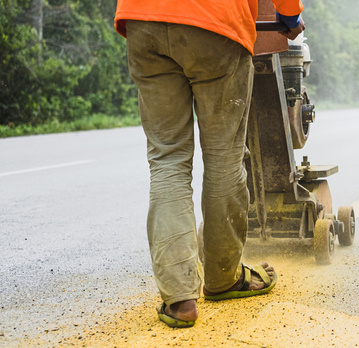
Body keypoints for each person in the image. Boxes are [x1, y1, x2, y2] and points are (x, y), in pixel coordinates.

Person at [114, 0, 305, 328]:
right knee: (224, 159)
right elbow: (287, 13)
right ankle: (223, 278)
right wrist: (289, 17)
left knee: (167, 159)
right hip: (216, 25)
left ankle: (179, 298)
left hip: (143, 20)